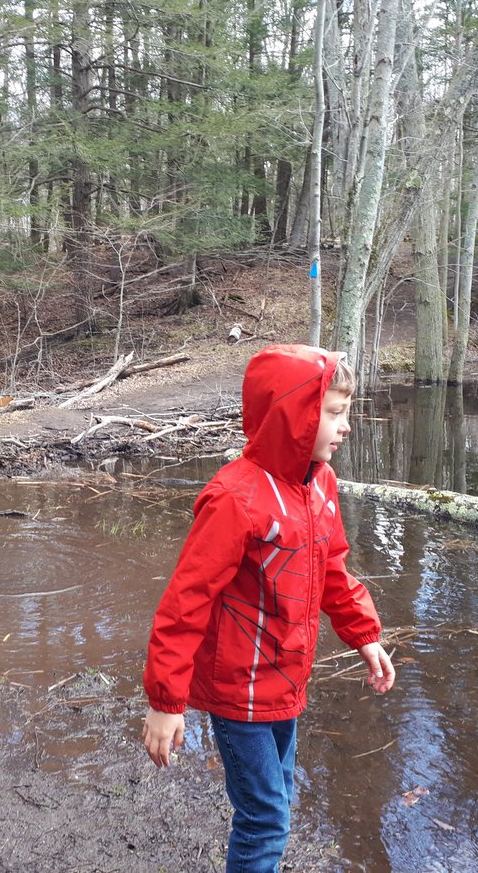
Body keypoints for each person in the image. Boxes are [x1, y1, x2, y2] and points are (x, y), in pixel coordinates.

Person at [141, 344, 395, 873]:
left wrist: (364, 635)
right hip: (239, 690)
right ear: (292, 416)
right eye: (334, 413)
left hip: (288, 679)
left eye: (346, 412)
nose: (346, 426)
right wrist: (167, 701)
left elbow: (332, 570)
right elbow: (187, 602)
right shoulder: (234, 498)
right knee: (266, 818)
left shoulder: (320, 484)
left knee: (279, 795)